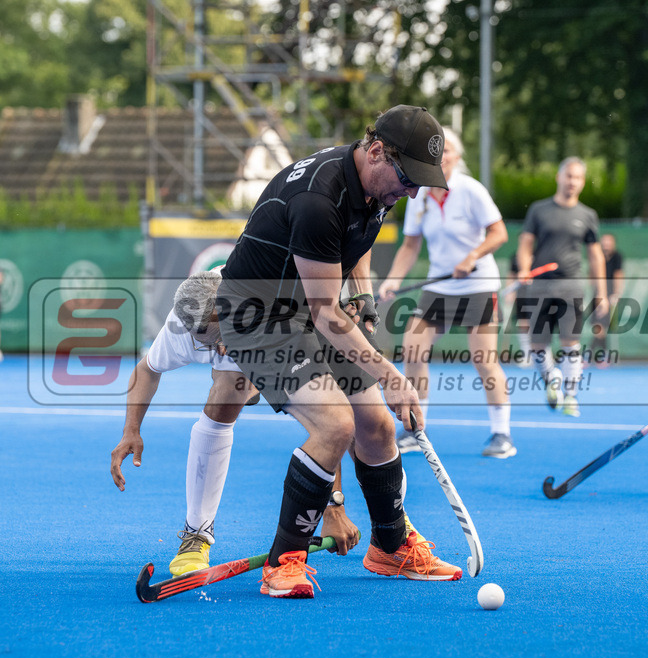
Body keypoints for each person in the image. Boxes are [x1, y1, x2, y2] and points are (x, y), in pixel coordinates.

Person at [216, 104, 462, 599]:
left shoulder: (380, 183)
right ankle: (286, 559)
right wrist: (391, 373)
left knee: (377, 425)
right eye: (408, 178)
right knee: (335, 424)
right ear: (376, 151)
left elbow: (359, 238)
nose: (412, 191)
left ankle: (390, 548)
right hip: (259, 314)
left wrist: (364, 296)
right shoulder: (318, 198)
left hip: (311, 308)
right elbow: (327, 313)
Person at [110, 271, 362, 575]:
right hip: (249, 350)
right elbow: (147, 369)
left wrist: (334, 506)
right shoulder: (182, 325)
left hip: (287, 336)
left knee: (362, 421)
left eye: (224, 336)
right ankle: (196, 534)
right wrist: (131, 429)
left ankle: (395, 526)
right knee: (224, 395)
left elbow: (330, 426)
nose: (220, 346)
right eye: (210, 342)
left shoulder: (276, 306)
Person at [378, 127, 515, 459]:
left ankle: (502, 434)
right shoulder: (420, 195)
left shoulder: (471, 190)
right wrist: (393, 280)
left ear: (457, 157)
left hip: (478, 285)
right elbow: (410, 246)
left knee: (484, 360)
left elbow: (499, 234)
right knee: (412, 348)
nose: (444, 158)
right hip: (439, 288)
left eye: (450, 151)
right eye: (439, 153)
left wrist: (471, 258)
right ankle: (415, 428)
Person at [516, 157, 609, 417]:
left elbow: (595, 255)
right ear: (559, 177)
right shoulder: (538, 210)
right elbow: (525, 244)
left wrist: (601, 292)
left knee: (571, 343)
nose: (572, 182)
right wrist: (524, 268)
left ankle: (570, 396)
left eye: (578, 178)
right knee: (536, 345)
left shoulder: (587, 215)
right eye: (569, 176)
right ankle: (551, 378)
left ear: (582, 182)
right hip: (539, 288)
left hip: (571, 288)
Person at [591, 232, 624, 366]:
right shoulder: (597, 256)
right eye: (604, 241)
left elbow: (618, 275)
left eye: (609, 241)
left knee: (601, 327)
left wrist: (616, 294)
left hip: (609, 293)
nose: (606, 244)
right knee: (598, 327)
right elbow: (592, 274)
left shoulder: (617, 257)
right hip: (597, 293)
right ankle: (603, 355)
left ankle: (590, 355)